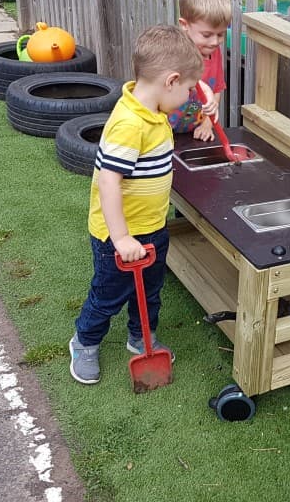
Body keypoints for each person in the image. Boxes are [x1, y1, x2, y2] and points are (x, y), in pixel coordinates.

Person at [69, 25, 203, 385]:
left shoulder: (154, 112)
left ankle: (140, 337)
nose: (188, 97)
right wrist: (121, 238)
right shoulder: (129, 124)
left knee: (150, 291)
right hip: (119, 236)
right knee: (108, 295)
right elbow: (109, 181)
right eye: (188, 89)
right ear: (171, 81)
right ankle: (84, 342)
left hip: (152, 228)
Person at [168, 0, 233, 141]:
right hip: (162, 128)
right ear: (185, 25)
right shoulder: (174, 50)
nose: (215, 42)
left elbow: (217, 89)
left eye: (220, 34)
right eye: (207, 35)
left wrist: (207, 124)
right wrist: (204, 89)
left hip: (192, 131)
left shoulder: (214, 52)